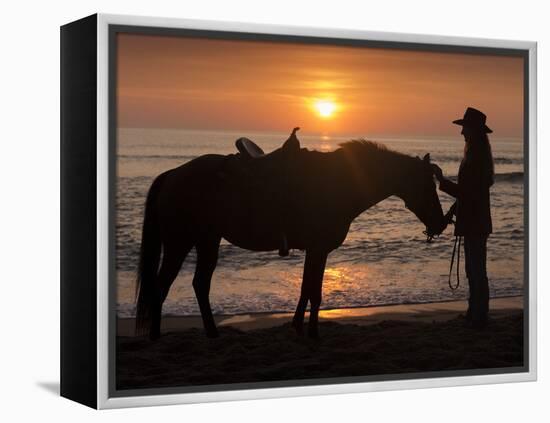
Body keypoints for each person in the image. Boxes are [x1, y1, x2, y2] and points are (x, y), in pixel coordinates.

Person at [432, 107, 495, 329]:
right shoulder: (477, 155)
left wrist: (441, 179)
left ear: (473, 130)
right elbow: (469, 193)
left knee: (476, 270)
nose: (461, 133)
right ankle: (475, 312)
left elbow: (467, 192)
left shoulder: (475, 158)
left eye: (464, 128)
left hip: (475, 221)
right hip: (475, 220)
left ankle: (479, 316)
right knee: (473, 269)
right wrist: (452, 211)